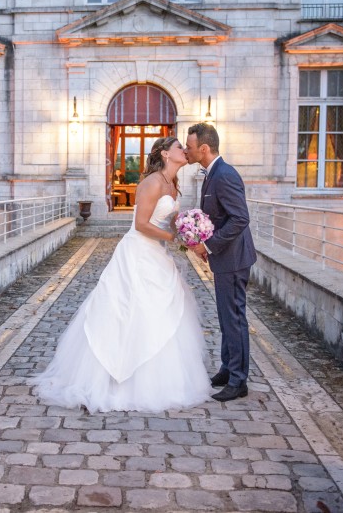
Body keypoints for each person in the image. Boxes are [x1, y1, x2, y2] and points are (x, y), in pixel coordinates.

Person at [32, 137, 212, 413]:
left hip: (157, 253)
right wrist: (176, 239)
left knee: (159, 310)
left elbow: (170, 221)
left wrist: (190, 232)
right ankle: (116, 378)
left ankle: (160, 381)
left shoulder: (173, 184)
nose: (184, 151)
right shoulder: (151, 182)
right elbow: (141, 225)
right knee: (128, 309)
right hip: (138, 252)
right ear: (166, 154)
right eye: (179, 147)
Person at [183, 123, 257, 402]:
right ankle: (228, 369)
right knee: (226, 317)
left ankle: (239, 381)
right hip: (225, 258)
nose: (187, 151)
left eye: (189, 147)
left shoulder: (225, 175)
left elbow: (240, 218)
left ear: (203, 148)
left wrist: (209, 245)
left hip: (234, 259)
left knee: (234, 318)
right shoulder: (211, 174)